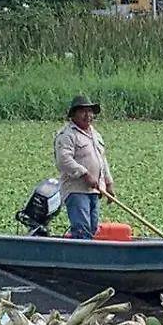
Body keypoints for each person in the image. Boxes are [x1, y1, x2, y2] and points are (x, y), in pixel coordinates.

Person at [54, 95, 115, 239]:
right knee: (82, 229)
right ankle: (80, 259)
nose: (88, 116)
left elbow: (102, 160)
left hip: (95, 190)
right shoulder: (67, 135)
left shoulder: (96, 135)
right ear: (74, 114)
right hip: (76, 190)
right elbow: (63, 160)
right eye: (83, 112)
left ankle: (89, 259)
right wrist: (85, 174)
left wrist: (108, 183)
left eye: (90, 111)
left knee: (92, 229)